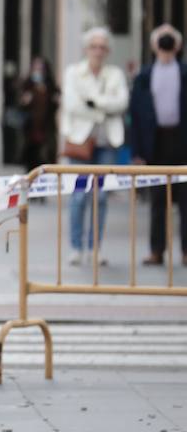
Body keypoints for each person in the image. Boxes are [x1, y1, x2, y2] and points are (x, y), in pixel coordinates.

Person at [60, 26, 129, 266]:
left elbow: (121, 103)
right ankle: (76, 247)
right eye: (93, 46)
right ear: (86, 48)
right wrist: (103, 108)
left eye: (102, 47)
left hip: (107, 142)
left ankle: (95, 248)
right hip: (80, 142)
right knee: (79, 196)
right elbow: (72, 104)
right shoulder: (74, 72)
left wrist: (94, 103)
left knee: (100, 198)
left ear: (108, 50)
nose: (98, 51)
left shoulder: (115, 75)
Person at [129, 24, 187, 266]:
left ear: (178, 45)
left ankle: (186, 251)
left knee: (186, 200)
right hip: (156, 142)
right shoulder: (144, 76)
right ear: (153, 45)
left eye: (169, 40)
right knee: (157, 200)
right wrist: (137, 151)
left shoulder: (184, 72)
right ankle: (156, 249)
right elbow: (135, 116)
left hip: (182, 141)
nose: (165, 45)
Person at [18, 57, 60, 174]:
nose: (38, 71)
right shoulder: (27, 85)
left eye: (40, 68)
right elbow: (21, 106)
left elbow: (55, 105)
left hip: (46, 128)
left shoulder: (50, 86)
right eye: (36, 68)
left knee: (46, 157)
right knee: (31, 157)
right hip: (31, 129)